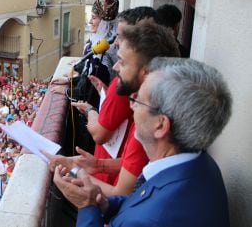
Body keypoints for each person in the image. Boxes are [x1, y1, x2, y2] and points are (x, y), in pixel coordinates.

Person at [54, 57, 232, 227]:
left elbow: (146, 214)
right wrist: (103, 203)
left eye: (138, 100)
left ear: (160, 125)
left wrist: (87, 206)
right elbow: (142, 200)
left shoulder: (148, 220)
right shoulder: (202, 164)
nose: (131, 106)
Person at [47, 18, 180, 197]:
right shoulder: (154, 109)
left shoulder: (151, 124)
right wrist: (99, 165)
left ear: (146, 72)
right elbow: (133, 163)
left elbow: (121, 194)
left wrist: (74, 171)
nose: (116, 67)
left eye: (123, 62)